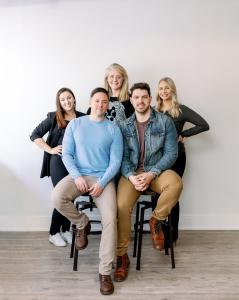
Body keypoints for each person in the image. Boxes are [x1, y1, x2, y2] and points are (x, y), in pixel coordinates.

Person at [51, 87, 123, 295]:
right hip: (79, 176)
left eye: (104, 102)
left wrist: (102, 182)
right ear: (90, 102)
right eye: (97, 101)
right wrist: (77, 176)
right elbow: (67, 155)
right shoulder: (76, 124)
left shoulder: (113, 129)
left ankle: (104, 272)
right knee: (57, 197)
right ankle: (82, 223)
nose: (100, 105)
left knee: (110, 217)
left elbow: (116, 161)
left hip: (103, 179)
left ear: (107, 104)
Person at [114, 82, 183, 282]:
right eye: (136, 97)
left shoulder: (164, 122)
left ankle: (156, 220)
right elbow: (123, 157)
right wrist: (131, 176)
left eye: (144, 97)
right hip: (133, 174)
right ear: (131, 100)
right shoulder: (124, 125)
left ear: (150, 99)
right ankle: (121, 257)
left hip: (157, 171)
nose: (140, 101)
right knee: (121, 206)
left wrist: (152, 173)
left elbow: (172, 153)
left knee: (176, 183)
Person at [156, 77, 209, 242]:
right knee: (158, 194)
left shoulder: (180, 110)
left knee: (172, 193)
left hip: (177, 157)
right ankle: (158, 231)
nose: (164, 91)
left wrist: (183, 134)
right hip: (157, 158)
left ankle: (172, 235)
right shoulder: (154, 111)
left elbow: (203, 124)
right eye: (161, 88)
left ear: (172, 90)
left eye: (167, 88)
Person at [30, 88, 85, 247]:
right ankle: (53, 233)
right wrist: (51, 149)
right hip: (58, 162)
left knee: (71, 196)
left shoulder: (83, 117)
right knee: (62, 196)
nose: (67, 101)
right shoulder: (54, 117)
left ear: (74, 99)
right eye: (63, 99)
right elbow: (34, 135)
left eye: (69, 98)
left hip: (76, 163)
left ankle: (66, 229)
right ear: (59, 102)